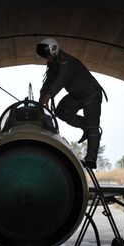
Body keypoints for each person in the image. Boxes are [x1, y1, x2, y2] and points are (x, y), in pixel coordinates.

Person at [36, 37, 106, 169]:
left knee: (93, 127)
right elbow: (47, 84)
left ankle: (91, 160)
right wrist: (40, 101)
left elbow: (60, 80)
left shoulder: (66, 62)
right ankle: (88, 126)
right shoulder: (53, 65)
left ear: (54, 51)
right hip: (76, 95)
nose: (46, 59)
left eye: (47, 55)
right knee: (61, 112)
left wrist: (49, 96)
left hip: (91, 94)